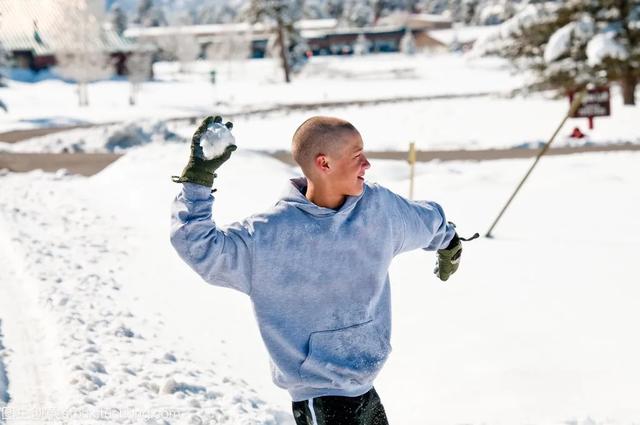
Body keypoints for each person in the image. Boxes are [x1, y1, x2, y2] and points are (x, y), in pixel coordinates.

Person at [171, 115, 463, 425]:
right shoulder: (268, 236)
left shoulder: (379, 210)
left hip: (364, 386)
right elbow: (199, 246)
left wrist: (449, 241)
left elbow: (424, 220)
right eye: (357, 155)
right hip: (320, 397)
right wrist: (198, 180)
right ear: (324, 163)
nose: (367, 164)